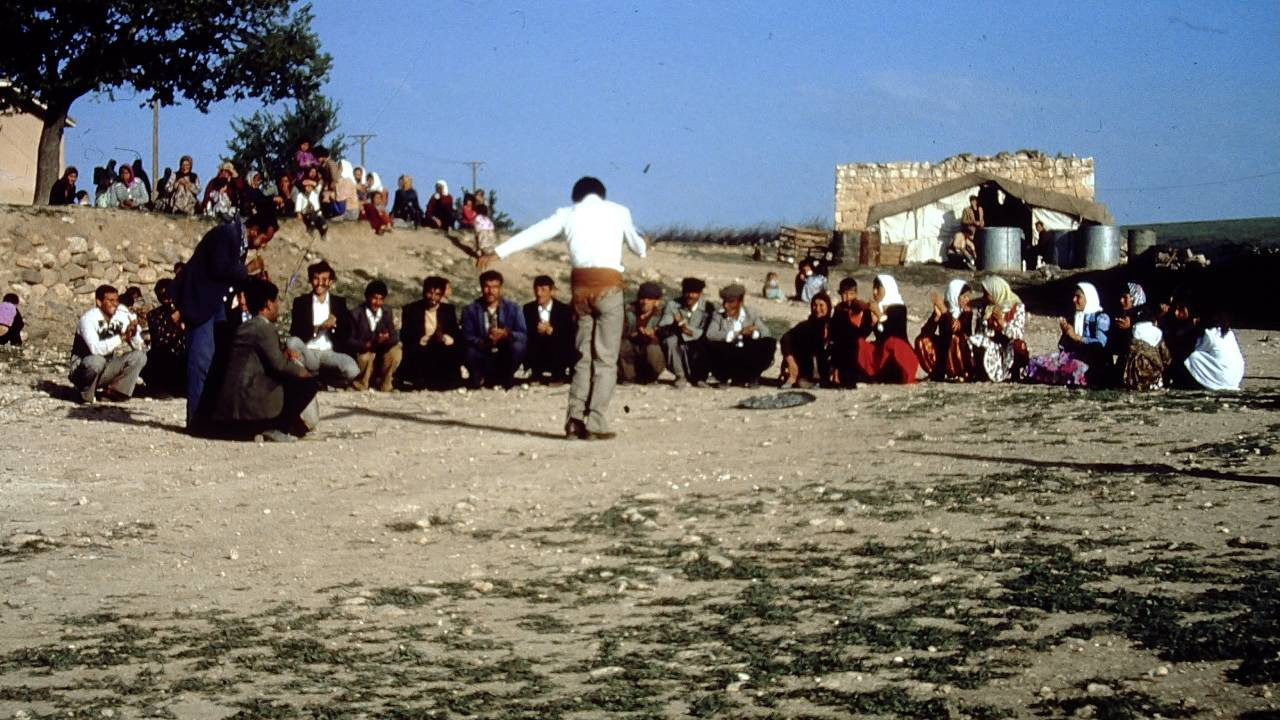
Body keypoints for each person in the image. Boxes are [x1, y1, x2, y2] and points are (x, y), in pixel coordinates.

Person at [481, 176, 646, 439]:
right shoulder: (619, 211)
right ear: (601, 194)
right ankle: (596, 422)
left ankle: (573, 421)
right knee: (605, 359)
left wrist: (498, 252)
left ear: (576, 195)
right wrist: (642, 242)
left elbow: (534, 233)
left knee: (583, 357)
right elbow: (639, 248)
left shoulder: (567, 214)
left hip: (581, 290)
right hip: (609, 287)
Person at [173, 205, 277, 428]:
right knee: (200, 359)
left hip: (216, 305)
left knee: (217, 359)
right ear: (254, 230)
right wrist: (248, 269)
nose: (263, 245)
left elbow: (232, 276)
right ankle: (195, 421)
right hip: (201, 303)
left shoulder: (238, 242)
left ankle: (210, 415)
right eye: (264, 238)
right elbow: (221, 269)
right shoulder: (225, 234)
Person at [212, 278, 319, 442]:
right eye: (276, 301)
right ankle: (275, 426)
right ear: (269, 304)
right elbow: (279, 365)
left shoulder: (248, 326)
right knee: (307, 384)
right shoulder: (264, 327)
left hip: (234, 402)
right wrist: (302, 372)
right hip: (248, 399)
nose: (278, 306)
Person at [68, 285, 147, 403]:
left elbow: (139, 347)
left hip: (105, 368)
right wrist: (122, 337)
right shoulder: (89, 319)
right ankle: (85, 394)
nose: (115, 304)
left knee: (139, 357)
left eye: (116, 300)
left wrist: (133, 334)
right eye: (110, 301)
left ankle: (114, 392)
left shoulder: (120, 318)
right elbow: (96, 349)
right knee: (97, 361)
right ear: (99, 302)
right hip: (84, 369)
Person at [286, 261, 359, 386]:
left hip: (329, 352)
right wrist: (317, 328)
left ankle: (326, 380)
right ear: (310, 280)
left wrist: (335, 325)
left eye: (324, 279)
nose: (320, 283)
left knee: (352, 370)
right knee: (291, 343)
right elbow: (295, 332)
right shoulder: (301, 302)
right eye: (316, 279)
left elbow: (347, 333)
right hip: (308, 351)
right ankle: (310, 378)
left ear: (330, 282)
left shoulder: (338, 303)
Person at [1024, 281, 1111, 387]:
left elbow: (1100, 344)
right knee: (1036, 361)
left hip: (1091, 359)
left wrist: (1077, 337)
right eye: (1074, 296)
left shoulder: (1101, 318)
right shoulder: (1075, 317)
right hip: (1072, 355)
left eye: (1078, 297)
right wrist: (1066, 333)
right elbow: (1064, 347)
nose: (1074, 300)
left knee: (1077, 368)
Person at [461, 270, 527, 389]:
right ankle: (478, 376)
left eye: (495, 287)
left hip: (504, 351)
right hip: (482, 351)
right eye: (487, 287)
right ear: (481, 287)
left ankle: (506, 376)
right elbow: (467, 336)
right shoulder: (470, 309)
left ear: (500, 288)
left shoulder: (513, 308)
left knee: (519, 346)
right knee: (467, 349)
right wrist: (485, 341)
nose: (491, 291)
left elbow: (523, 334)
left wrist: (507, 334)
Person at [398, 276, 464, 391]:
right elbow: (404, 334)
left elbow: (455, 332)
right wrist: (420, 339)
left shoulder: (448, 310)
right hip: (421, 348)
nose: (433, 298)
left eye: (437, 294)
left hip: (441, 346)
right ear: (424, 292)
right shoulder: (411, 309)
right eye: (430, 293)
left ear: (442, 295)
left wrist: (449, 338)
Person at [706, 283, 776, 387]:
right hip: (728, 354)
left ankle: (752, 376)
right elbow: (710, 334)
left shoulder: (751, 314)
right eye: (724, 302)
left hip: (746, 353)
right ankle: (724, 377)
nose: (726, 305)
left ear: (740, 302)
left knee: (769, 343)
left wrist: (754, 333)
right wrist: (736, 334)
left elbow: (766, 332)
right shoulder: (718, 316)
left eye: (730, 302)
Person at [856, 274, 919, 384]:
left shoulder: (899, 308)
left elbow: (892, 335)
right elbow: (862, 334)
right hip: (880, 352)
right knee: (859, 343)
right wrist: (870, 322)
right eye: (873, 288)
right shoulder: (873, 308)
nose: (875, 292)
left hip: (898, 354)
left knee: (893, 343)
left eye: (878, 288)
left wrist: (879, 315)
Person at [1109, 283, 1169, 391]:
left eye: (1125, 297)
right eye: (1121, 297)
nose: (1121, 301)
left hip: (1144, 370)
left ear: (1134, 298)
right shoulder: (1122, 317)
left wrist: (1130, 327)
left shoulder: (1146, 316)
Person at [970, 276, 1028, 382]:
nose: (984, 297)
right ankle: (981, 373)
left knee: (1019, 345)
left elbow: (1018, 333)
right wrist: (989, 325)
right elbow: (979, 332)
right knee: (976, 341)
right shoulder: (984, 308)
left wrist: (1002, 323)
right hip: (992, 346)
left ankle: (1015, 373)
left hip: (1008, 345)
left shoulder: (1017, 306)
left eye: (987, 294)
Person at [1170, 307, 1244, 391]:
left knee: (1192, 357)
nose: (1194, 320)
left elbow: (1196, 350)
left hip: (1224, 377)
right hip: (1235, 378)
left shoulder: (1210, 334)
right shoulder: (1228, 332)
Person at [915, 279, 975, 382]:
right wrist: (936, 317)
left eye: (968, 297)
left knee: (954, 339)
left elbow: (955, 328)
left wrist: (944, 311)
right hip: (943, 350)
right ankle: (936, 372)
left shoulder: (967, 313)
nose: (967, 300)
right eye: (964, 297)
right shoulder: (944, 310)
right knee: (921, 340)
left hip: (961, 351)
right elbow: (926, 332)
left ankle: (959, 373)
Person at [660, 277, 714, 388]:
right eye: (687, 292)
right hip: (678, 337)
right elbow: (664, 325)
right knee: (670, 341)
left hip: (699, 341)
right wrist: (678, 326)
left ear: (700, 294)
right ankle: (680, 376)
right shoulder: (672, 305)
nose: (690, 296)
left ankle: (700, 377)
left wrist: (688, 330)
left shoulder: (708, 307)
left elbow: (707, 330)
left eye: (694, 293)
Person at [349, 280, 402, 392]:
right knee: (367, 356)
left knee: (396, 352)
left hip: (381, 351)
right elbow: (349, 340)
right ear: (367, 297)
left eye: (381, 299)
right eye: (374, 298)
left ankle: (386, 385)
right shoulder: (356, 314)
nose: (377, 302)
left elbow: (394, 337)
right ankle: (360, 384)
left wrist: (385, 339)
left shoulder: (386, 312)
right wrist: (367, 344)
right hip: (364, 351)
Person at [522, 275, 575, 384]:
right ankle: (536, 373)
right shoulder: (528, 309)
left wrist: (551, 331)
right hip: (537, 348)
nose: (539, 293)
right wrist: (537, 331)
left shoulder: (564, 310)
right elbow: (524, 330)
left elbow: (569, 335)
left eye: (543, 290)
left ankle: (559, 375)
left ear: (552, 291)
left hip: (557, 349)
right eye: (536, 289)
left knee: (561, 341)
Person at [142, 279, 186, 396]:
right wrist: (174, 324)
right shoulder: (154, 315)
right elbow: (160, 339)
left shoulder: (186, 311)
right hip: (166, 355)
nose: (168, 300)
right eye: (163, 296)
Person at [779, 292, 833, 388]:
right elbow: (786, 338)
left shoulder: (834, 326)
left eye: (821, 305)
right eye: (814, 305)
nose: (817, 309)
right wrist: (791, 362)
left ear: (828, 307)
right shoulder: (806, 326)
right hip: (805, 366)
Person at [828, 278, 873, 388]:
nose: (848, 298)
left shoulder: (862, 309)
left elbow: (867, 328)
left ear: (856, 294)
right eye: (844, 294)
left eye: (851, 294)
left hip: (857, 343)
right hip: (841, 344)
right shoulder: (839, 309)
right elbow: (834, 328)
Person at [619, 282, 666, 385]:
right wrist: (631, 334)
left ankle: (651, 377)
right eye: (642, 298)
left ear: (657, 302)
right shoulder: (628, 311)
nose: (644, 302)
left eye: (649, 299)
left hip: (651, 349)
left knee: (652, 348)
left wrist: (653, 336)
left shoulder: (663, 315)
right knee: (623, 345)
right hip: (633, 349)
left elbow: (666, 337)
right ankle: (628, 377)